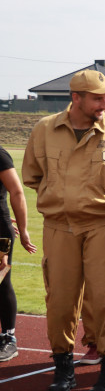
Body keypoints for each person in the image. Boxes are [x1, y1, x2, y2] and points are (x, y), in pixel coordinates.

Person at [23, 69, 105, 391]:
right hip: (59, 225)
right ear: (76, 98)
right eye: (98, 97)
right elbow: (32, 175)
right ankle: (63, 368)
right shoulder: (45, 130)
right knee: (59, 300)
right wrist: (63, 199)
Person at [0, 144, 37, 361]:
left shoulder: (0, 155)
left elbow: (17, 191)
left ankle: (9, 338)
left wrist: (23, 230)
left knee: (1, 282)